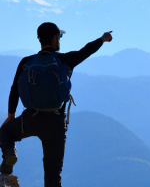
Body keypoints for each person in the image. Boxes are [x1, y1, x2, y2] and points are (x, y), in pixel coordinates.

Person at [0, 22, 113, 187]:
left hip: (30, 119)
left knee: (5, 132)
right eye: (59, 36)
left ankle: (9, 158)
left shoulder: (26, 62)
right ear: (54, 39)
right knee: (53, 175)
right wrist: (102, 39)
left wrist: (11, 115)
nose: (59, 39)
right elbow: (86, 50)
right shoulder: (65, 59)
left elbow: (14, 89)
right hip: (55, 123)